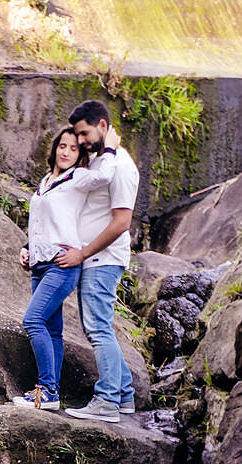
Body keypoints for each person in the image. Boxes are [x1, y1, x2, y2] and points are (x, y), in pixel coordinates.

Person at [11, 124, 123, 411]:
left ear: (79, 154)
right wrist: (27, 247)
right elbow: (45, 222)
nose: (66, 152)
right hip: (40, 264)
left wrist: (110, 148)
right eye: (63, 146)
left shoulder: (78, 178)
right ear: (55, 148)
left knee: (33, 321)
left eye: (74, 148)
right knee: (52, 330)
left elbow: (105, 175)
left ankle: (46, 391)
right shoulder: (46, 180)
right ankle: (52, 394)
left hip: (62, 264)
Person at [56, 100, 141, 424]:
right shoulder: (100, 161)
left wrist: (83, 253)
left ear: (102, 126)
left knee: (97, 328)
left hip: (102, 259)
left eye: (84, 133)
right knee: (99, 326)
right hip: (95, 259)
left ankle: (106, 401)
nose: (80, 141)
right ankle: (124, 395)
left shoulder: (121, 166)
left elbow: (122, 223)